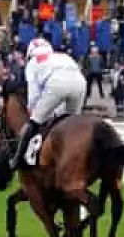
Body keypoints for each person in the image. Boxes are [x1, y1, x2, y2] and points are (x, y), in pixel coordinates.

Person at [12, 37, 85, 174]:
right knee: (71, 125)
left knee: (34, 121)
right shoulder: (62, 56)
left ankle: (17, 160)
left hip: (57, 84)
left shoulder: (33, 63)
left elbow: (33, 94)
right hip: (80, 83)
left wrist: (32, 110)